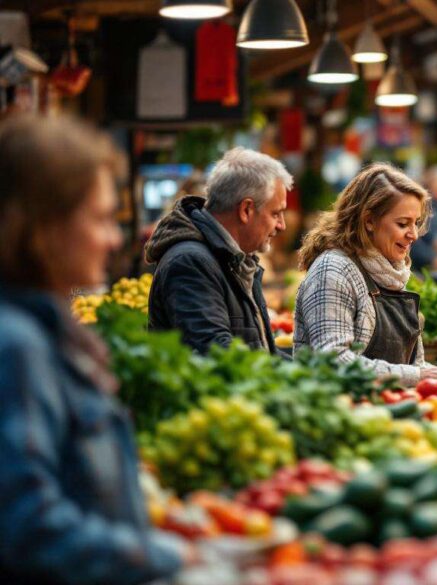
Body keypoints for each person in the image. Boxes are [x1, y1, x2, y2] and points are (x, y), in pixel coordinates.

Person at [0, 115, 185, 583]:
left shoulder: (47, 332)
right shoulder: (16, 346)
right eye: (101, 218)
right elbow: (27, 528)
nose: (115, 239)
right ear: (43, 226)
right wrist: (172, 558)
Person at [294, 164, 437, 387]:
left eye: (416, 223)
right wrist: (417, 376)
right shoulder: (333, 270)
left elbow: (414, 366)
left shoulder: (391, 271)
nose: (413, 234)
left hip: (387, 409)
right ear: (369, 221)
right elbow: (331, 361)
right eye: (403, 223)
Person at [146, 147, 291, 354]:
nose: (281, 225)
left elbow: (263, 353)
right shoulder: (190, 263)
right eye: (276, 213)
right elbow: (218, 354)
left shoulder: (238, 261)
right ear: (246, 210)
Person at [410, 165, 437, 274]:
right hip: (418, 269)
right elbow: (413, 239)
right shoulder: (420, 206)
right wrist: (432, 259)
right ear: (430, 183)